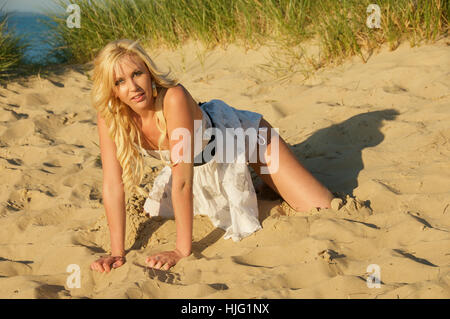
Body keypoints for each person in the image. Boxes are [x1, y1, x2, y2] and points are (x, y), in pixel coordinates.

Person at [90, 39, 333, 273]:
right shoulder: (110, 116)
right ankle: (264, 183)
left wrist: (181, 251)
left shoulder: (173, 98)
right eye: (120, 81)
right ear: (112, 90)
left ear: (149, 73)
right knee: (154, 211)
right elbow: (112, 184)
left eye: (137, 74)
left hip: (245, 137)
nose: (133, 87)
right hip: (200, 163)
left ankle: (264, 172)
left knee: (320, 205)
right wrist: (117, 253)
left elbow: (183, 182)